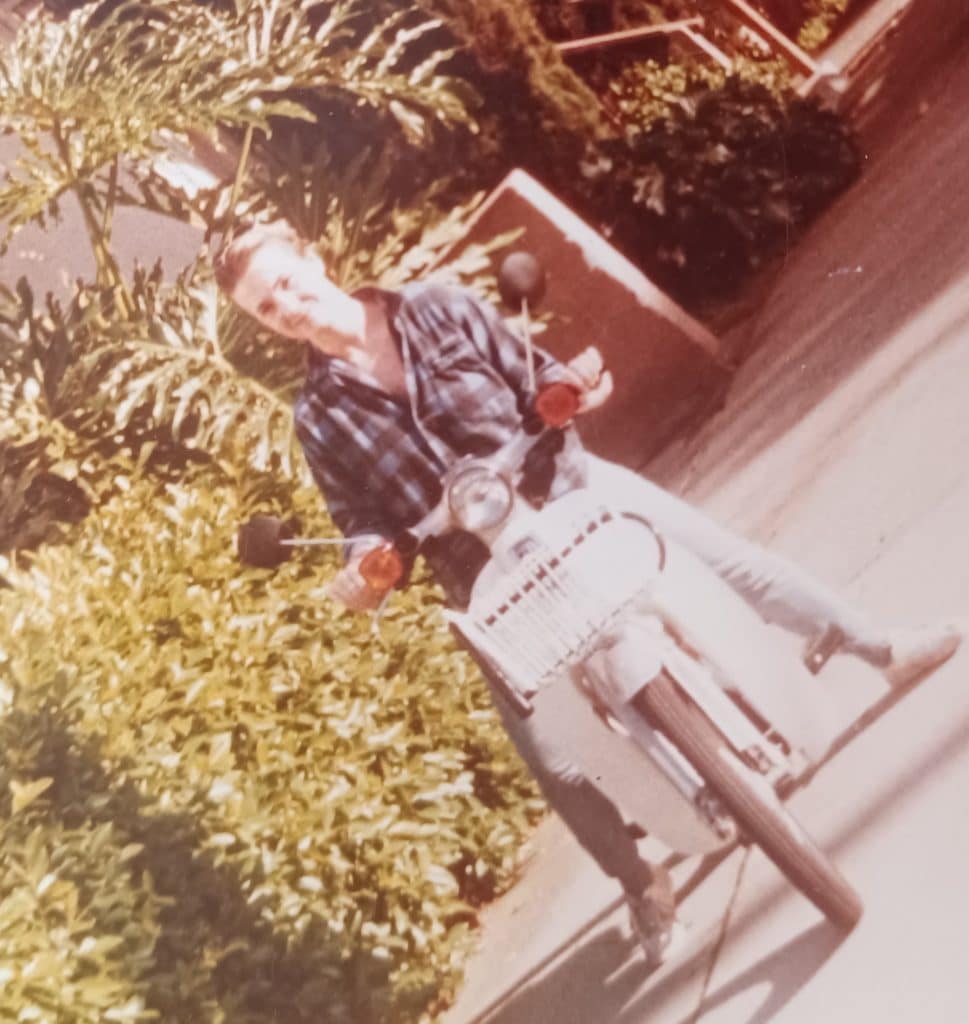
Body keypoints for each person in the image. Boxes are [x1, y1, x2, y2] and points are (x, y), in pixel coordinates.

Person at [214, 221, 962, 965]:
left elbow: (531, 370)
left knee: (723, 559)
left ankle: (878, 645)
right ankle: (641, 882)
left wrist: (564, 388)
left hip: (564, 488)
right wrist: (365, 567)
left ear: (314, 259)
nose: (288, 305)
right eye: (267, 308)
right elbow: (359, 520)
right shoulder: (317, 418)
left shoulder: (436, 306)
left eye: (286, 281)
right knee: (549, 747)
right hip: (481, 571)